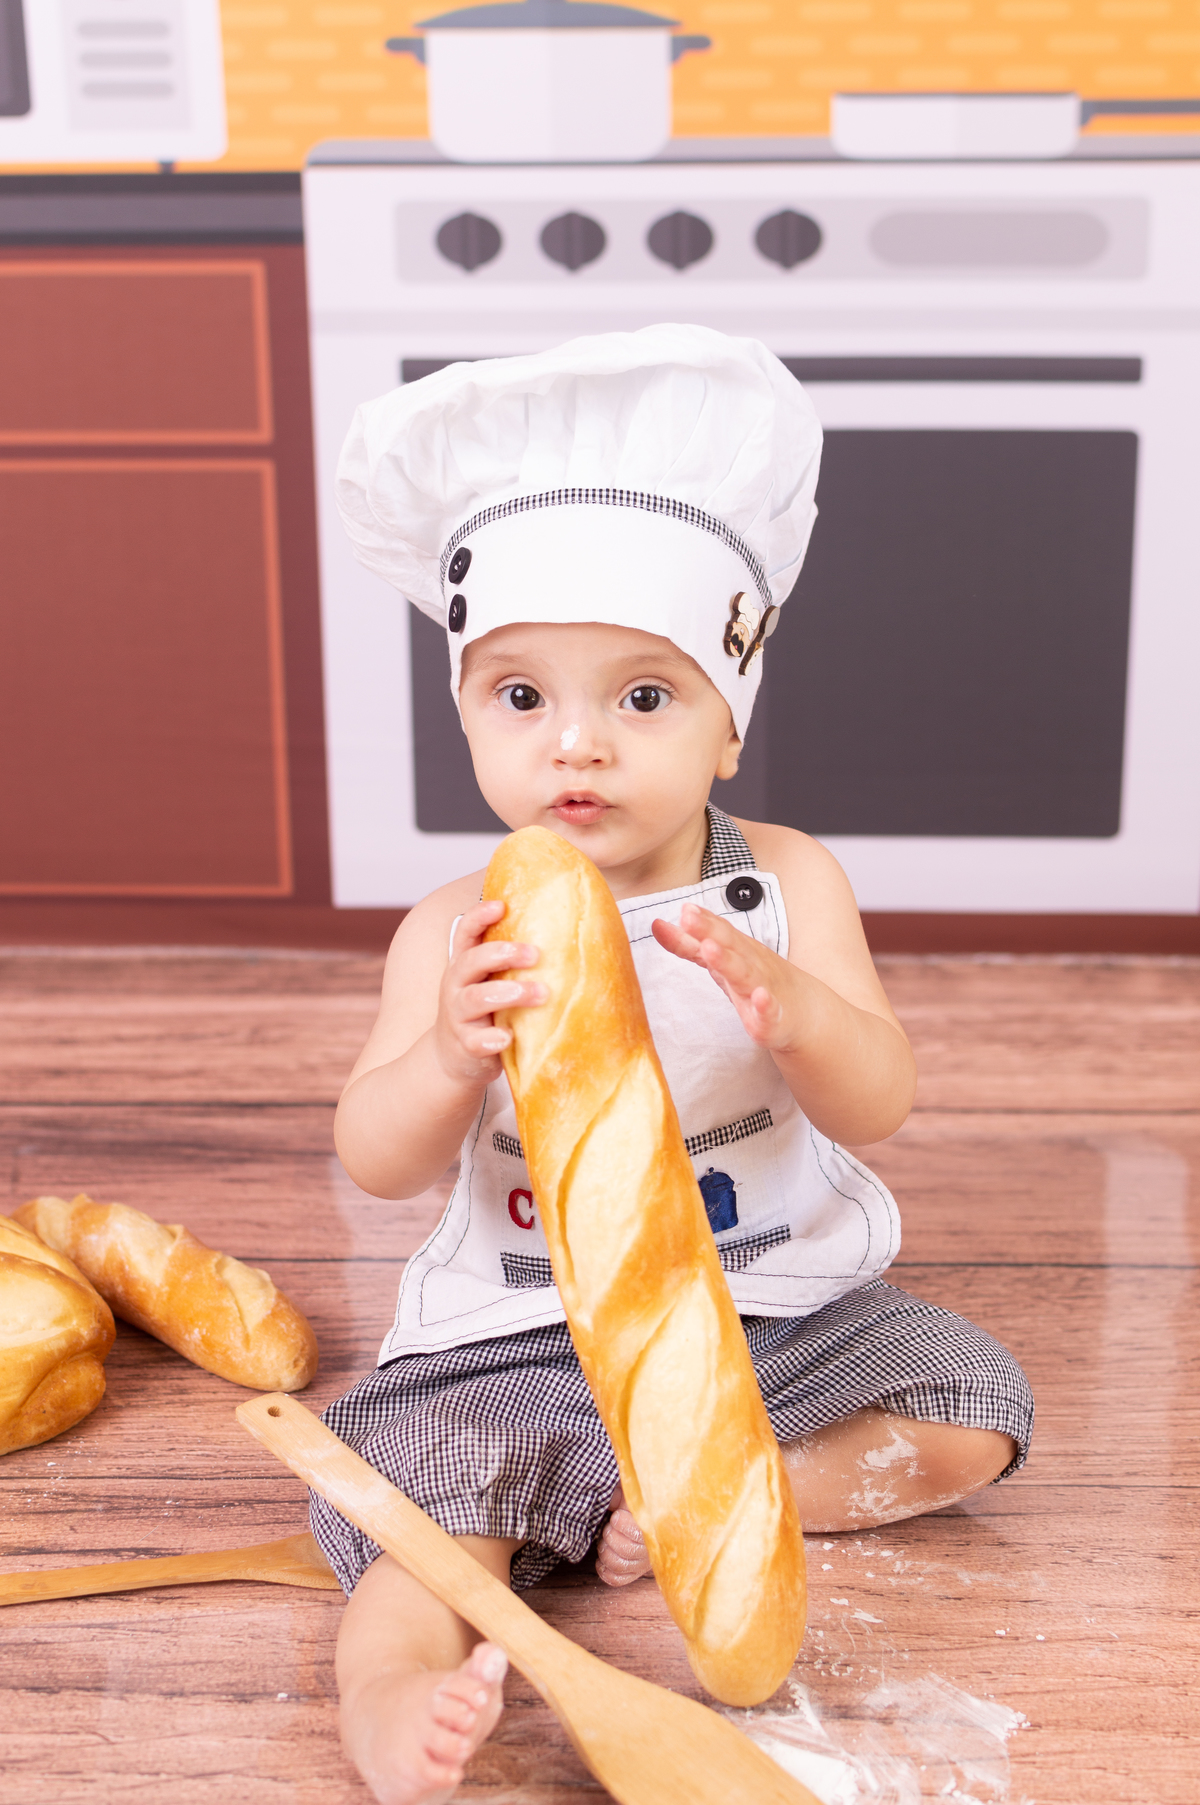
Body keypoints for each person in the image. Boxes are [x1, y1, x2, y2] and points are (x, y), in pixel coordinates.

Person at [312, 325, 1034, 1805]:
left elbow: (878, 1099)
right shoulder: (459, 928)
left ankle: (752, 1494)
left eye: (643, 697)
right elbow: (374, 1155)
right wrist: (451, 1049)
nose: (576, 744)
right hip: (518, 1338)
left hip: (762, 1315)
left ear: (725, 727)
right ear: (467, 713)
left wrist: (797, 1014)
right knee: (420, 1518)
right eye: (521, 697)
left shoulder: (785, 884)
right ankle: (391, 1698)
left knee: (972, 1402)